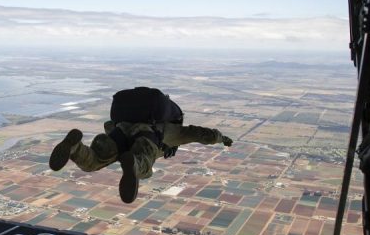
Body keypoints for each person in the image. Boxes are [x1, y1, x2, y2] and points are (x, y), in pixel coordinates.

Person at [49, 87, 233, 204]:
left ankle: (74, 148)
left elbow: (109, 125)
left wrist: (114, 135)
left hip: (119, 131)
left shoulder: (126, 119)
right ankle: (133, 165)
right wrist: (223, 138)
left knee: (93, 161)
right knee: (144, 165)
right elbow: (204, 135)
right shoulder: (174, 131)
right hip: (147, 138)